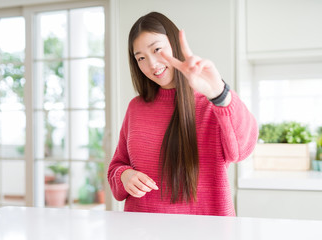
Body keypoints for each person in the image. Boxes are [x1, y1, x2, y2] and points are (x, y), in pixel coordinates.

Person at [107, 11, 258, 216]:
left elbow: (242, 151)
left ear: (175, 44)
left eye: (157, 49)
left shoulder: (212, 102)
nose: (152, 64)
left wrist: (219, 93)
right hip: (141, 230)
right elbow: (117, 165)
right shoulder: (136, 107)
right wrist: (124, 176)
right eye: (141, 58)